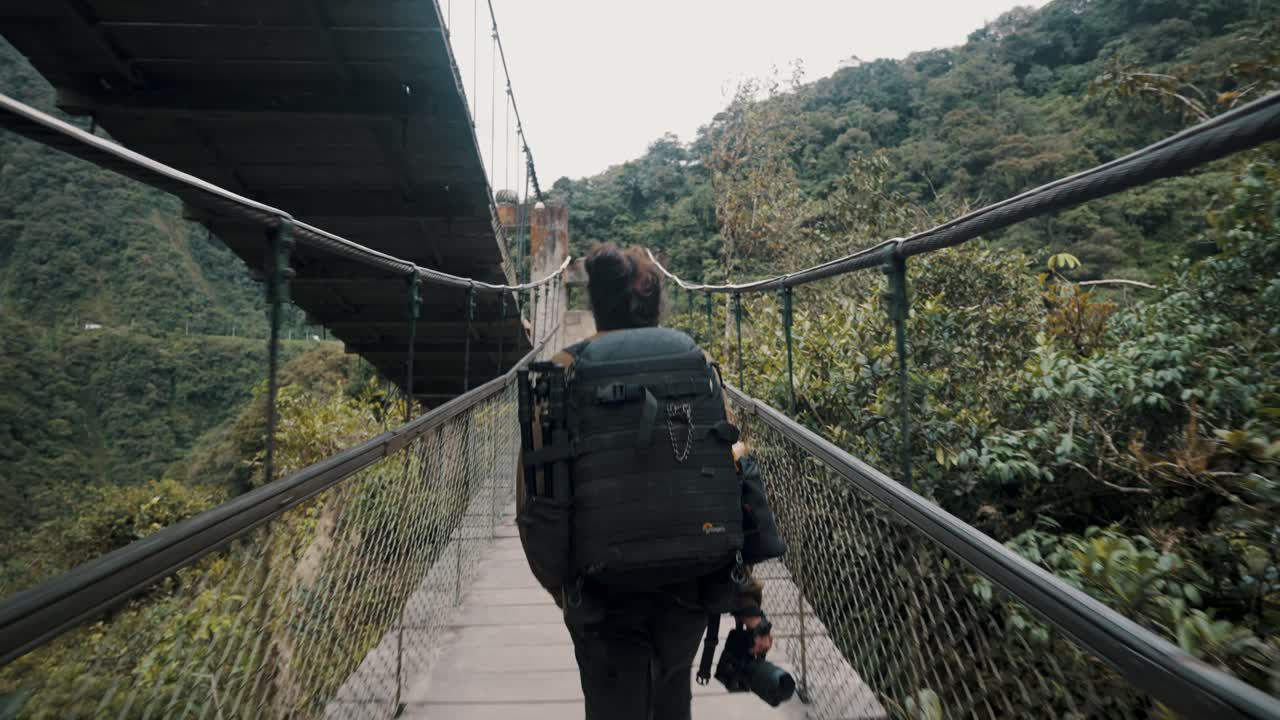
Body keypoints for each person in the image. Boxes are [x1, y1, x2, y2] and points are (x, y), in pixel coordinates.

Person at [516, 242, 773, 720]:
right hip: (690, 588)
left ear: (596, 303)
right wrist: (747, 602)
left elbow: (536, 500)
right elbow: (733, 483)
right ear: (656, 303)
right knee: (674, 691)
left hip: (601, 597)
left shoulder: (561, 372)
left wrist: (566, 590)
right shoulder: (697, 363)